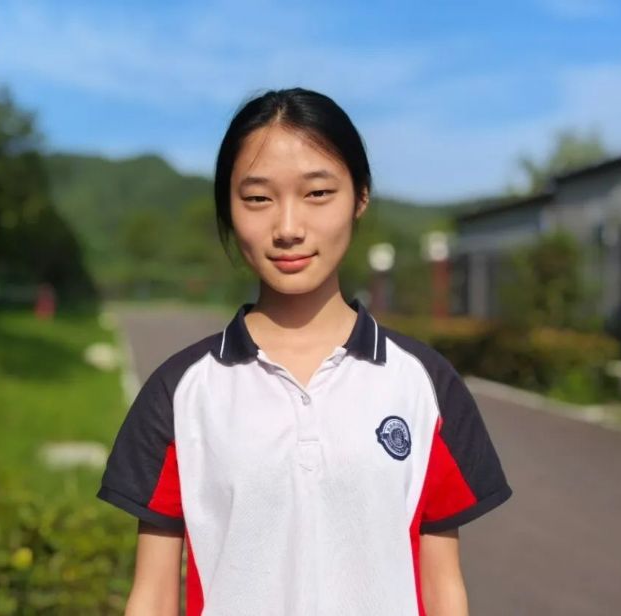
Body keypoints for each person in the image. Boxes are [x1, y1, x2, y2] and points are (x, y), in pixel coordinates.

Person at [98, 87, 513, 616]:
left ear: (360, 196)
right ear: (228, 207)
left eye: (318, 193)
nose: (288, 228)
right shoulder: (180, 392)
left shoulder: (423, 384)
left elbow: (442, 588)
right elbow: (153, 596)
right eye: (258, 198)